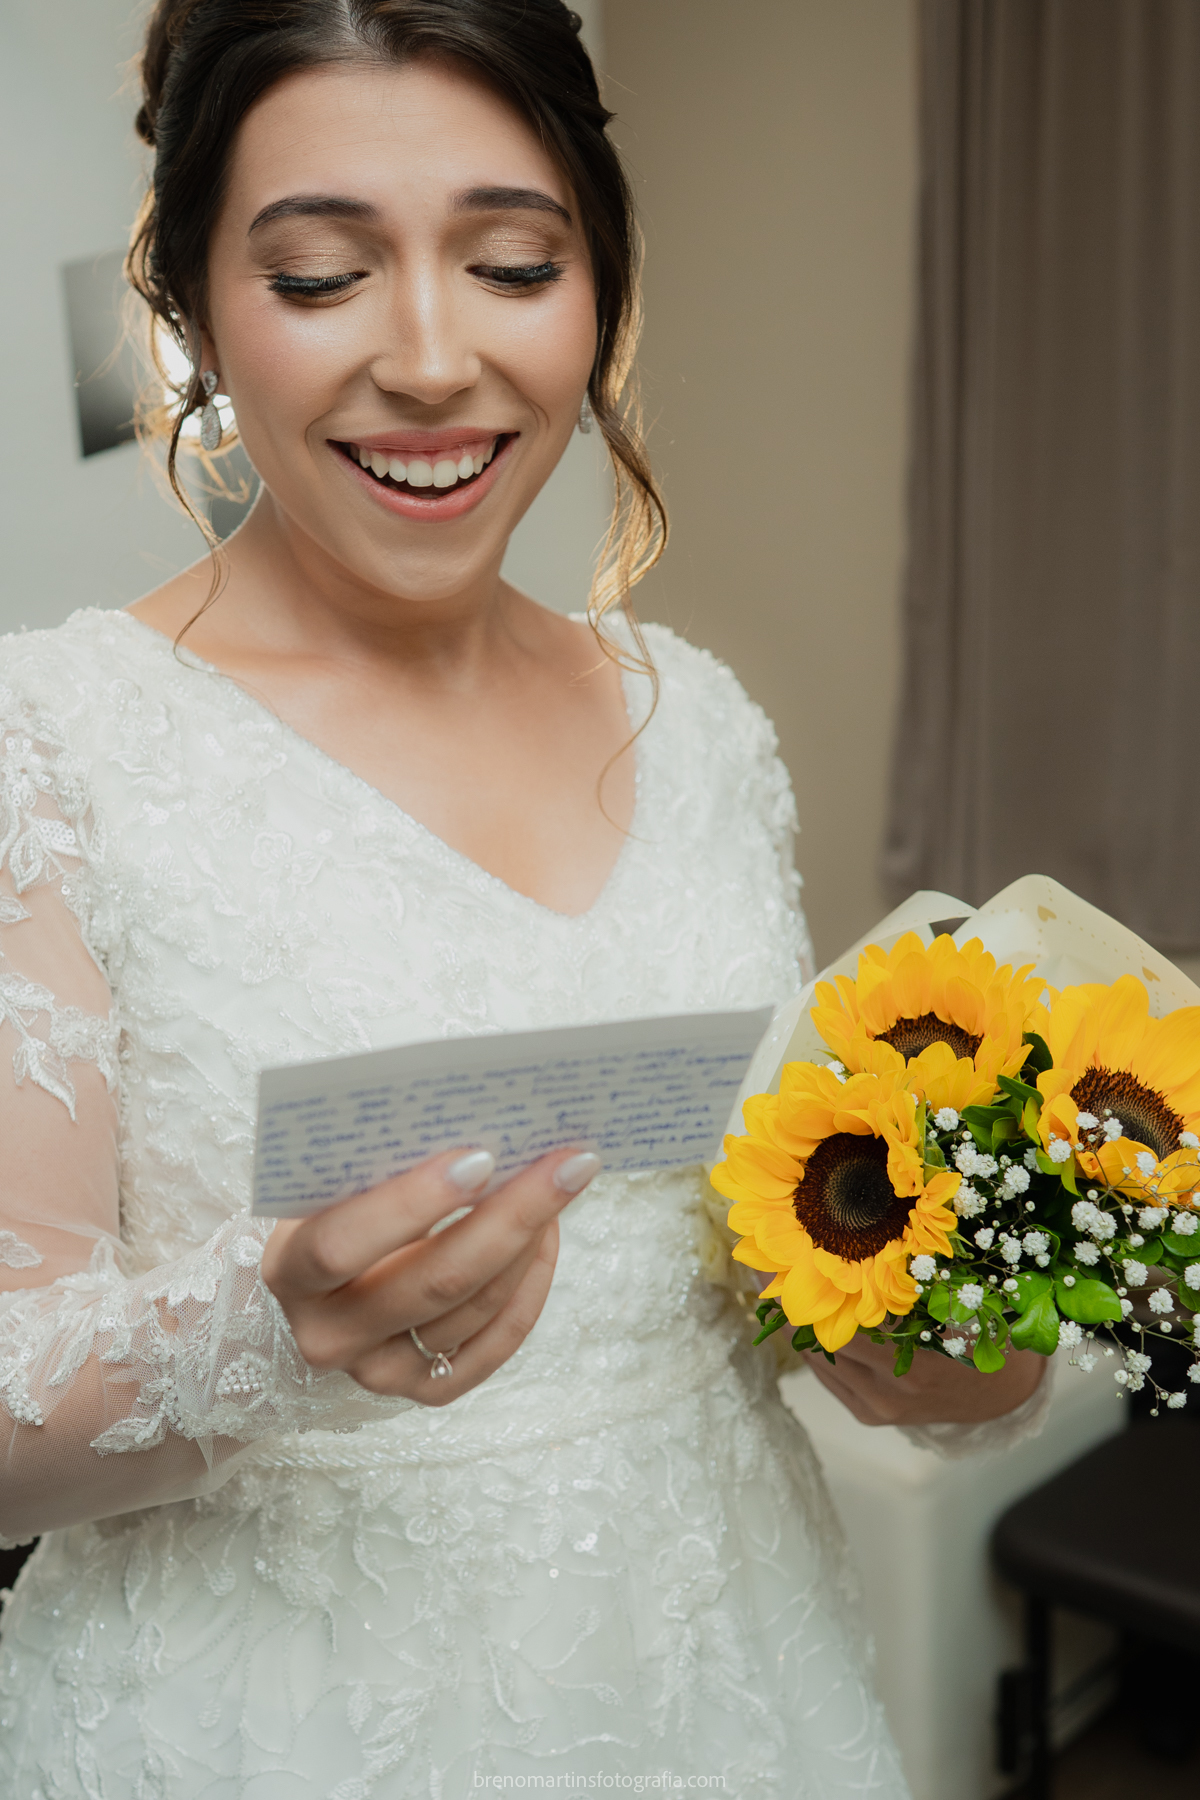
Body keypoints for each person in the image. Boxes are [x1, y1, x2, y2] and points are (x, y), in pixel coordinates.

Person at [0, 4, 1046, 1794]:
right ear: (188, 307)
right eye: (322, 276)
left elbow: (749, 1273)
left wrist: (950, 1345)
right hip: (273, 1719)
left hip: (726, 1676)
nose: (430, 357)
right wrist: (272, 1323)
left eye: (508, 262)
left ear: (597, 285)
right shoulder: (56, 748)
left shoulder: (697, 722)